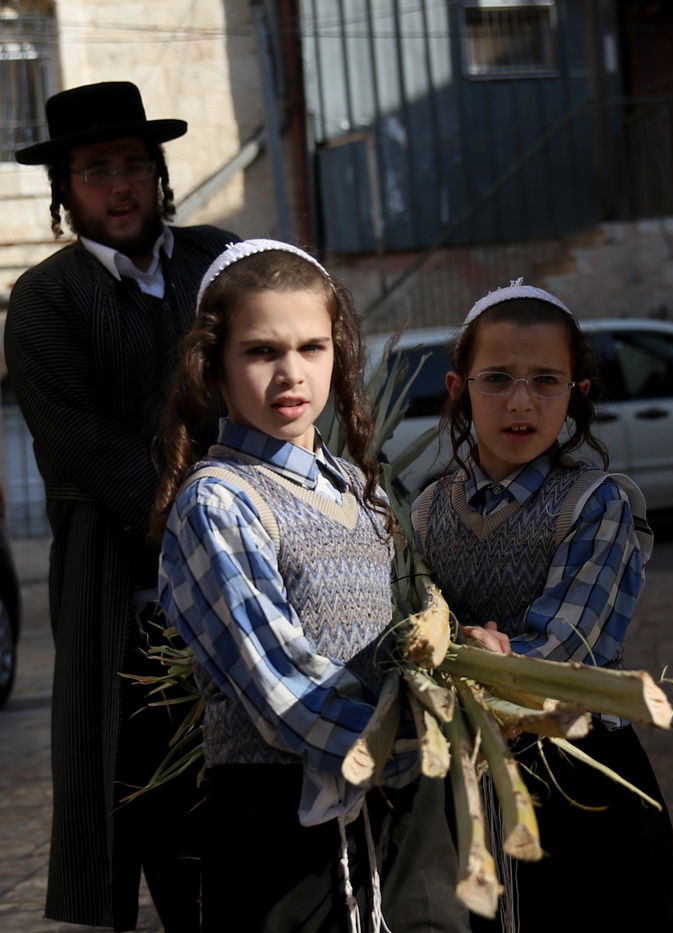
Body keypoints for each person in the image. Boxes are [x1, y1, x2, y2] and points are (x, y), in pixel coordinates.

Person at [151, 239, 466, 933]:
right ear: (214, 365)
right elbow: (280, 684)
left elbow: (399, 637)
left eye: (312, 347)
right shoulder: (218, 502)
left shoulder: (355, 485)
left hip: (396, 802)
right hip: (279, 825)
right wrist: (408, 739)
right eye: (262, 351)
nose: (291, 372)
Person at [3, 80, 237, 931]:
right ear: (64, 190)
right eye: (97, 169)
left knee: (246, 805)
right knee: (147, 798)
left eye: (136, 164)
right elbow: (87, 450)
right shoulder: (44, 301)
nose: (121, 185)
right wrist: (219, 525)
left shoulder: (221, 262)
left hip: (245, 594)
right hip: (119, 594)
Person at [411, 281, 673, 932]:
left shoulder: (598, 503)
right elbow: (416, 618)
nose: (521, 400)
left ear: (579, 392)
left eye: (546, 380)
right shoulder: (426, 511)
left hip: (582, 780)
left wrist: (490, 661)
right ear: (458, 389)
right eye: (497, 378)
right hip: (471, 783)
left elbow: (570, 643)